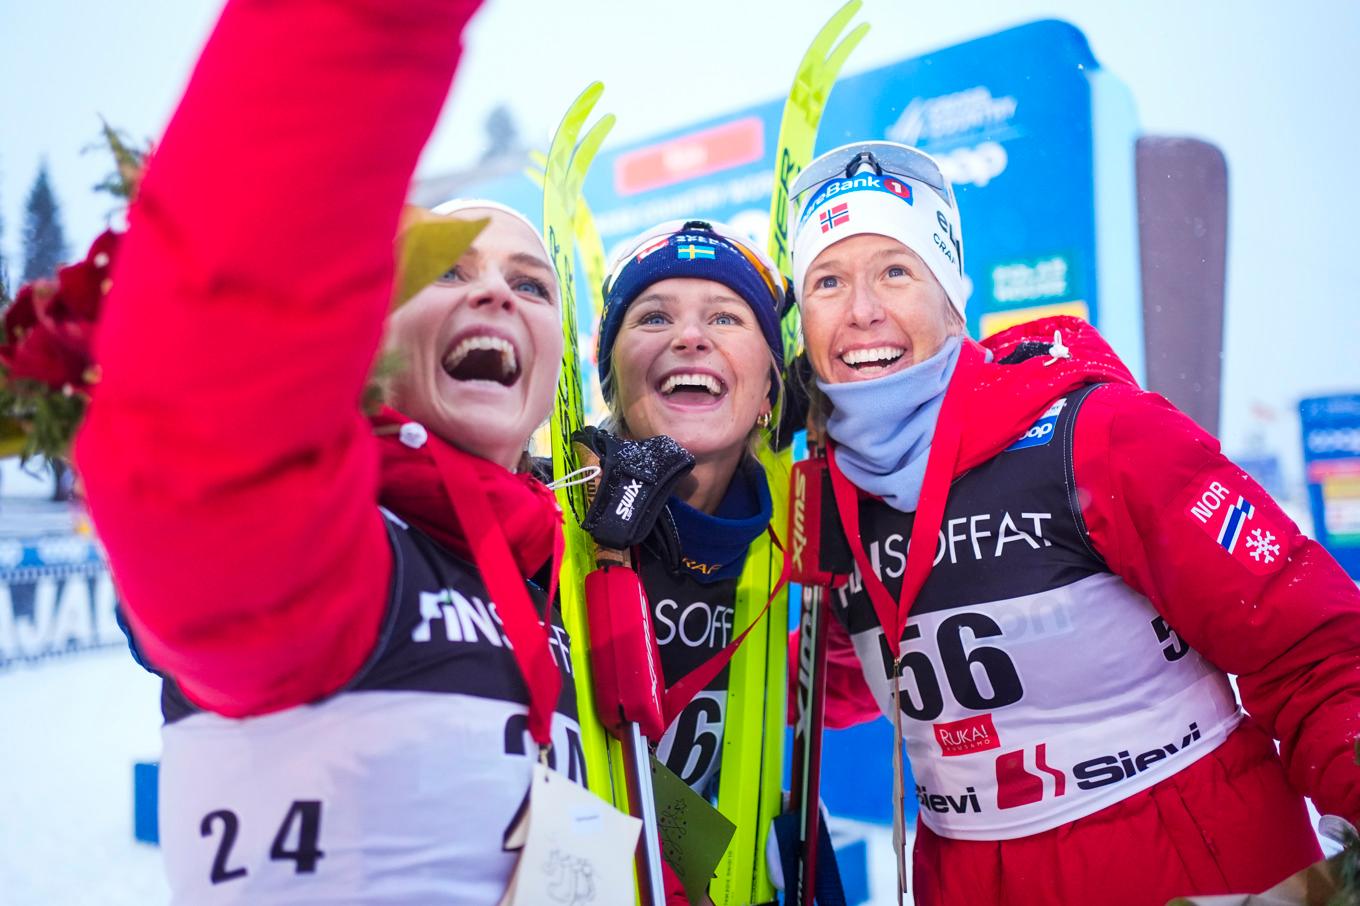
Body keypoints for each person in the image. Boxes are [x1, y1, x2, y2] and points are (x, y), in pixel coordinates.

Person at [74, 1, 584, 902]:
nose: (499, 296)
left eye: (531, 283)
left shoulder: (564, 579)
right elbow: (211, 413)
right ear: (365, 340)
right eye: (448, 272)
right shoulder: (328, 561)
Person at [788, 140, 1360, 904]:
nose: (862, 311)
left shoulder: (1095, 433)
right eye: (829, 280)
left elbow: (1315, 652)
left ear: (953, 295)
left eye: (896, 270)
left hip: (1193, 863)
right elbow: (831, 683)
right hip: (967, 876)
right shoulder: (834, 499)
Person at [590, 218, 791, 896]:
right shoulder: (544, 524)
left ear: (768, 391)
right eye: (652, 316)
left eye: (726, 317)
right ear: (611, 382)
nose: (690, 336)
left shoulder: (788, 556)